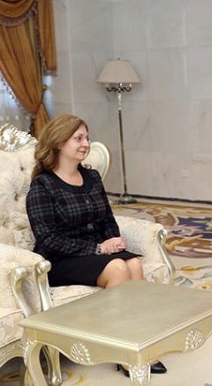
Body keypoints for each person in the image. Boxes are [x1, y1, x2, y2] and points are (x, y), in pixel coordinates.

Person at [26, 114, 167, 377]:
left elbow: (106, 219)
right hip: (58, 259)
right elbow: (48, 239)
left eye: (87, 138)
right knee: (117, 268)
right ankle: (122, 351)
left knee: (133, 263)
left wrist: (114, 241)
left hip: (94, 252)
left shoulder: (91, 177)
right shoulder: (42, 185)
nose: (86, 144)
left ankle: (141, 344)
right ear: (59, 143)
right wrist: (99, 249)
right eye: (78, 138)